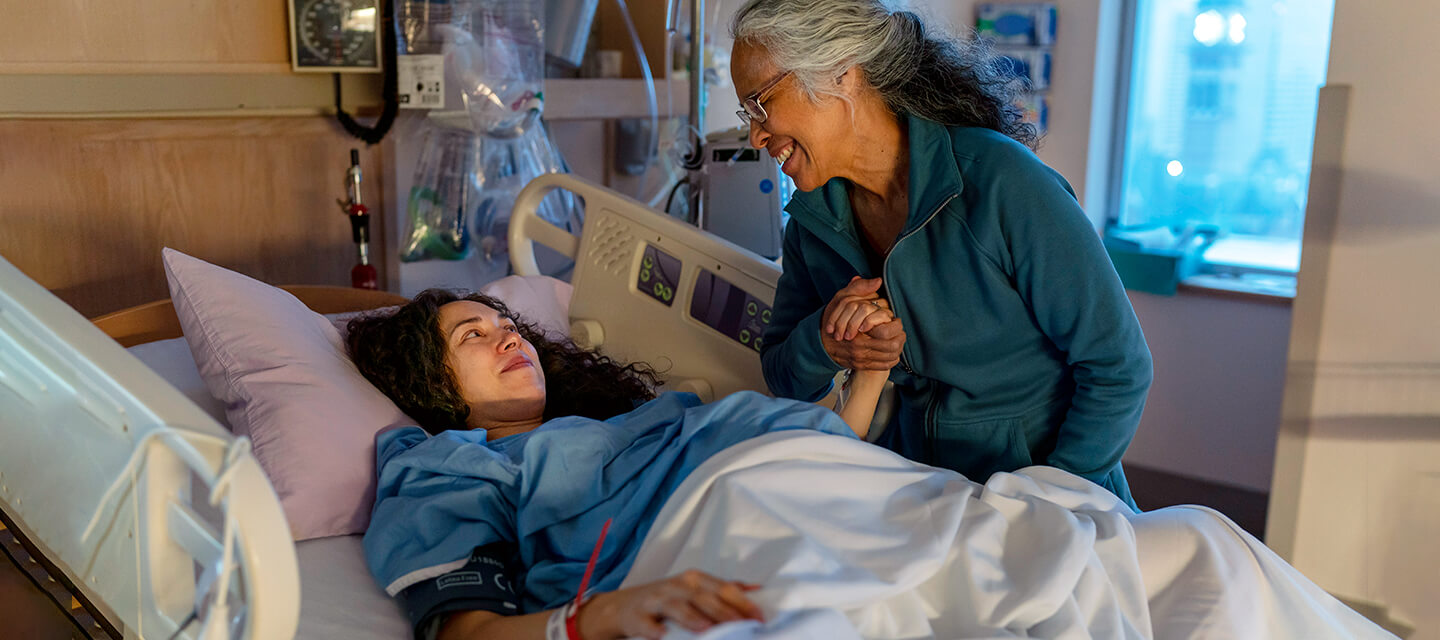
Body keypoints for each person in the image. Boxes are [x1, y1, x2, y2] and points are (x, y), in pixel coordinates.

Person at [730, 0, 1153, 506]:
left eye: (760, 103)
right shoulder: (814, 221)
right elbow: (782, 373)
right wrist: (826, 343)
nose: (755, 135)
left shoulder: (1000, 184)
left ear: (840, 72)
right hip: (924, 500)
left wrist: (1048, 503)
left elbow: (1118, 367)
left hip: (1051, 500)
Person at [347, 289, 894, 640]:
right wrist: (606, 614)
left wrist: (869, 370)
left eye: (505, 323)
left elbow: (828, 446)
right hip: (710, 550)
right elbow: (469, 633)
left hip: (844, 498)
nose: (509, 335)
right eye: (474, 334)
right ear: (430, 382)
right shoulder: (449, 467)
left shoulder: (628, 423)